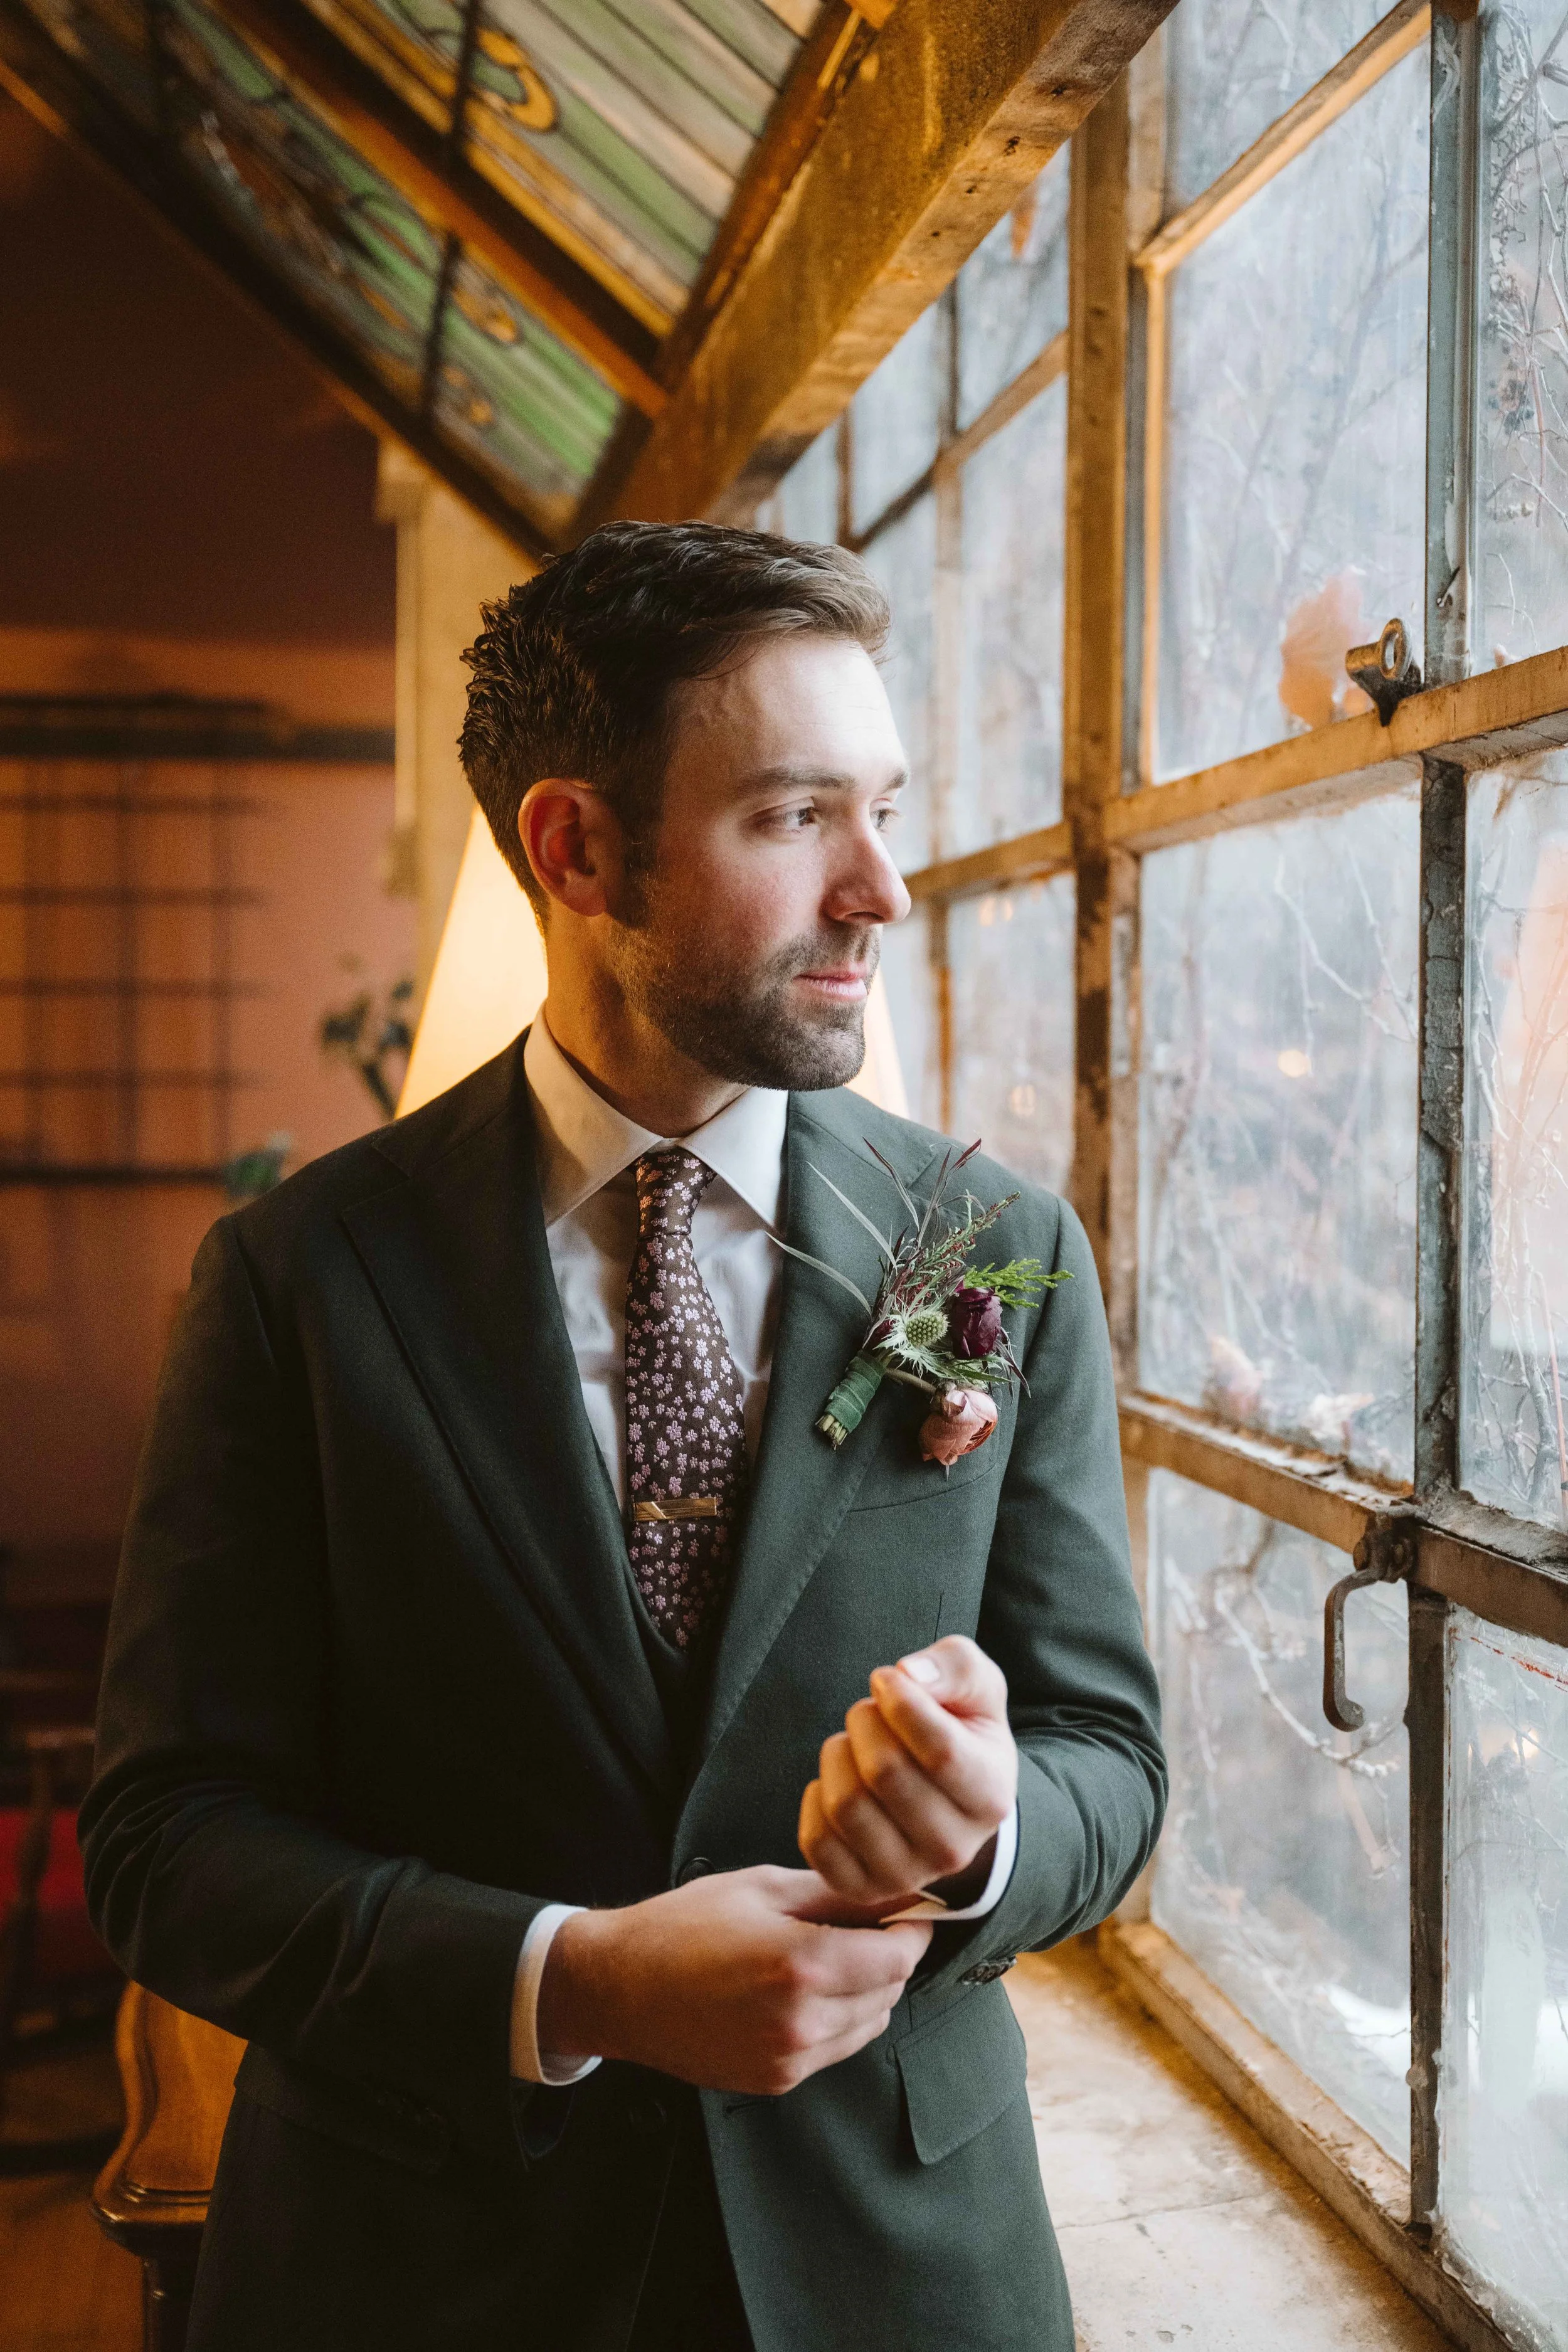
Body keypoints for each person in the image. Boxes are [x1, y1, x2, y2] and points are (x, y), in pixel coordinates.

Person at [81, 522, 1165, 2352]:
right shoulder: (295, 1278)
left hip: (893, 2269)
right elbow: (166, 1836)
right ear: (572, 845)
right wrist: (565, 1977)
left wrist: (986, 1835)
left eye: (882, 807)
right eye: (793, 817)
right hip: (418, 2272)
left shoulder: (993, 1247)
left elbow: (1110, 1760)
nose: (881, 890)